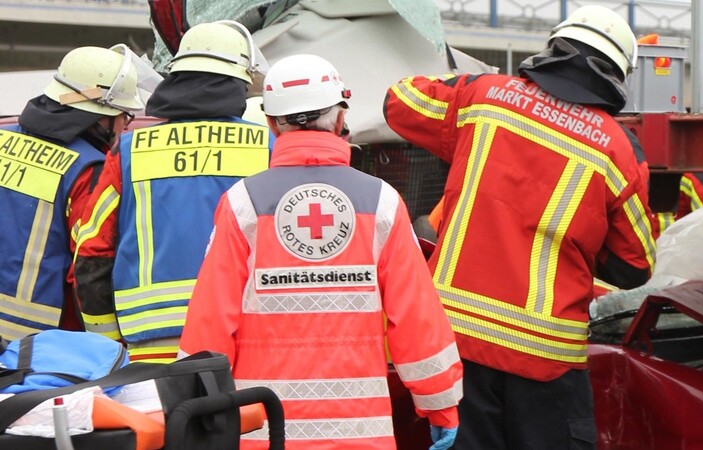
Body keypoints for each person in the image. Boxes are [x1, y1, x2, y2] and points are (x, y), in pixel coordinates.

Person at [383, 5, 656, 449]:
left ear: (553, 48)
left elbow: (400, 101)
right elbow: (635, 266)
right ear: (617, 73)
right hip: (548, 362)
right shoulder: (619, 151)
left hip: (459, 342)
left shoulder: (484, 96)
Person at [178, 53, 463, 450]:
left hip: (263, 430)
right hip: (361, 433)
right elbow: (416, 317)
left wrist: (200, 413)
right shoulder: (382, 202)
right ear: (341, 119)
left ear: (271, 123)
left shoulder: (242, 203)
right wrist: (441, 405)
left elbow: (211, 318)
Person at [73, 20, 271, 363]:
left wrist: (107, 347)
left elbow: (92, 253)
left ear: (176, 78)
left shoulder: (129, 151)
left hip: (151, 345)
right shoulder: (266, 147)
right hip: (243, 337)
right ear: (240, 84)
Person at [0, 44, 146, 340]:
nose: (124, 126)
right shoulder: (86, 169)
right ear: (98, 116)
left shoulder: (3, 139)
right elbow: (86, 267)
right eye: (123, 115)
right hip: (36, 345)